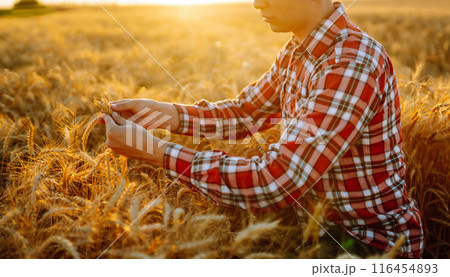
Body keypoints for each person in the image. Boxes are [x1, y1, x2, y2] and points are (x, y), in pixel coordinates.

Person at [98, 0, 424, 258]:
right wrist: (165, 115)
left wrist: (157, 152)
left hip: (371, 245)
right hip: (320, 232)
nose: (256, 3)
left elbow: (275, 180)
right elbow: (245, 113)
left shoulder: (351, 61)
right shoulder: (297, 52)